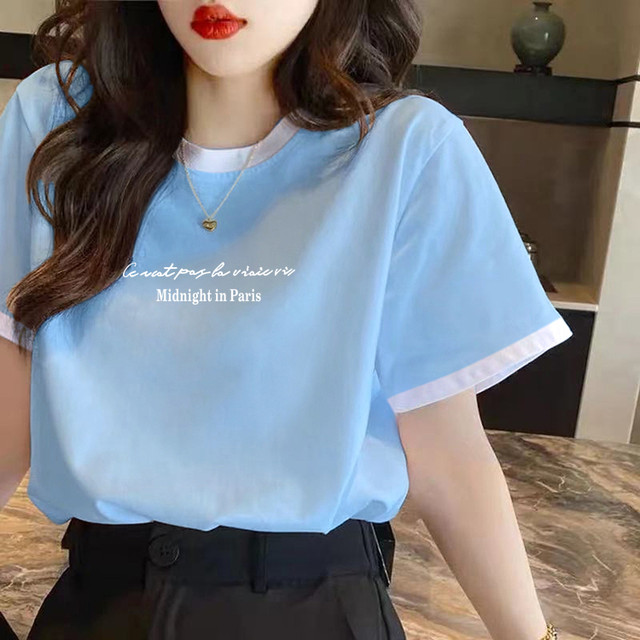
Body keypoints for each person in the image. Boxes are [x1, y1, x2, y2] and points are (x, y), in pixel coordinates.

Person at [0, 1, 569, 639]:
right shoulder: (58, 122)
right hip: (98, 606)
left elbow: (447, 454)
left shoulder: (404, 149)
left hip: (314, 608)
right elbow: (7, 412)